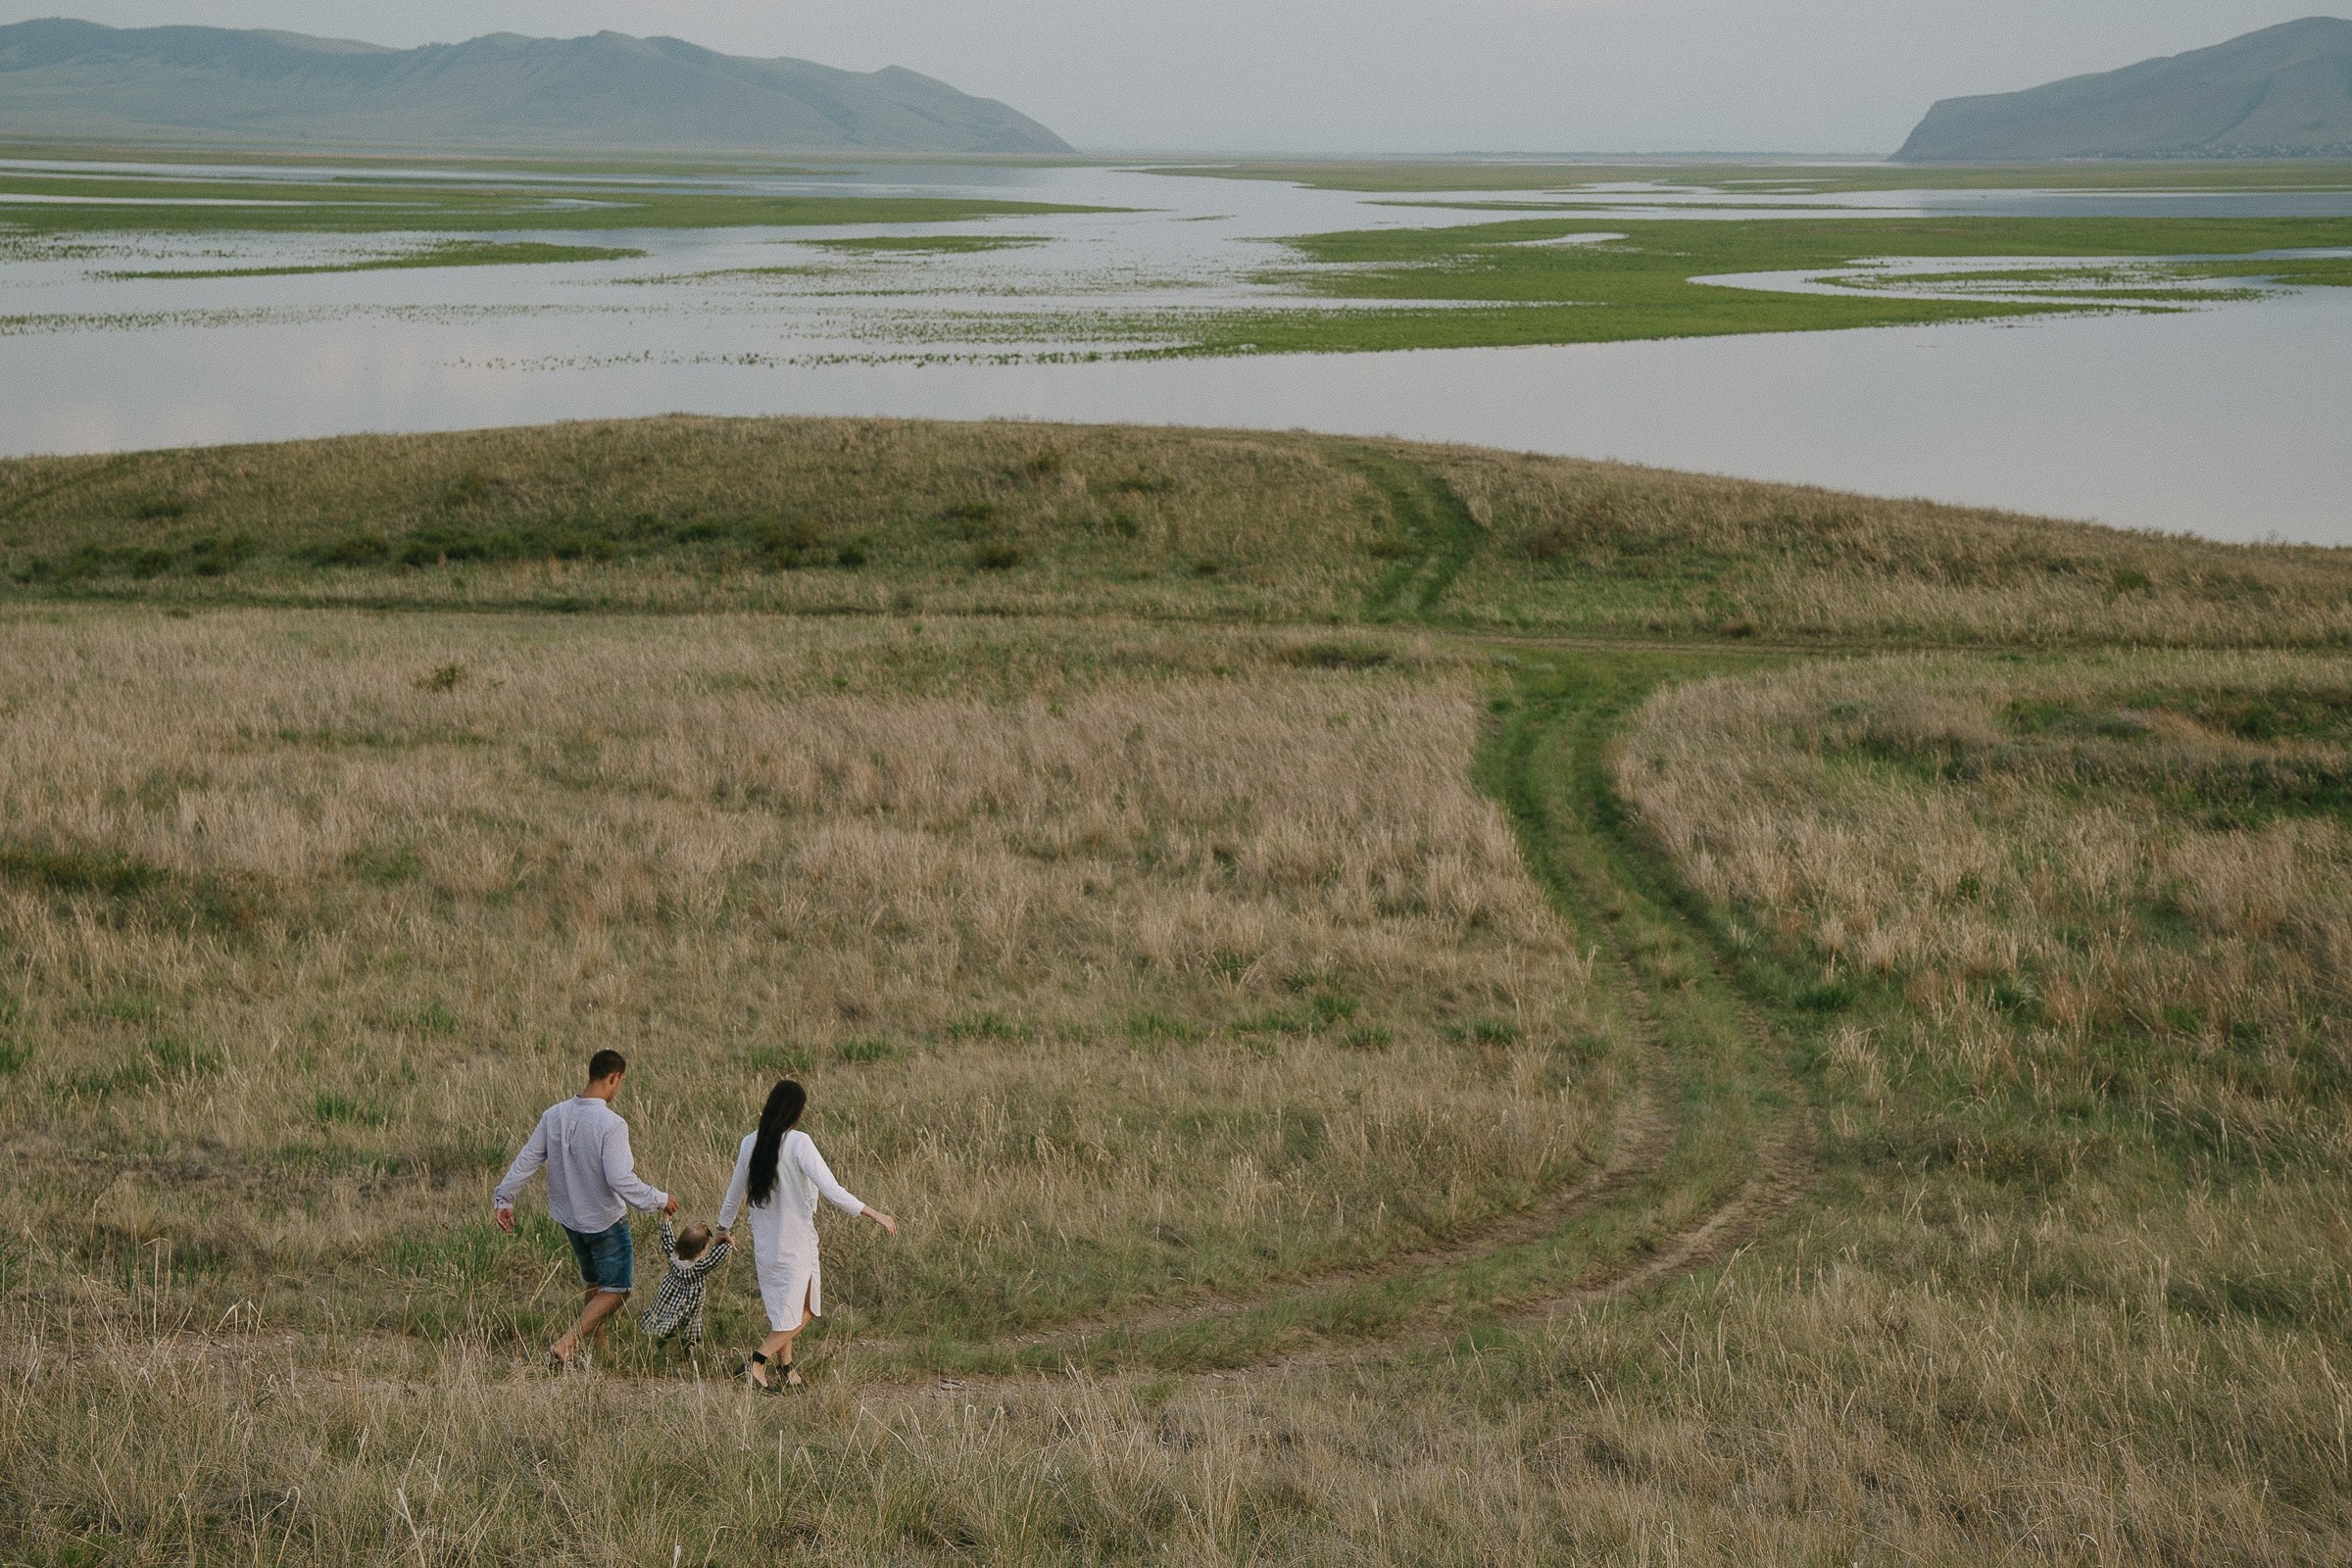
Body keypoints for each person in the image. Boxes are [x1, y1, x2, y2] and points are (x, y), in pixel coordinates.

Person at [493, 1048, 677, 1370]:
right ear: (614, 1077)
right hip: (604, 1219)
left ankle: (598, 1349)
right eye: (621, 1082)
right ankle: (566, 1344)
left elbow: (527, 1159)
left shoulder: (554, 1115)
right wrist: (659, 1199)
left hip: (570, 1219)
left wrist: (504, 1198)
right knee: (618, 1290)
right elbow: (620, 1178)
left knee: (595, 1284)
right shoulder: (612, 1124)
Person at [717, 1079, 897, 1390]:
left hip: (765, 1244)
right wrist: (874, 1214)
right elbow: (832, 1190)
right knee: (807, 1309)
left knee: (783, 1309)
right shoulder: (799, 1143)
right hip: (796, 1244)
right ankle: (757, 1362)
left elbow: (734, 1194)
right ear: (795, 1112)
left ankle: (787, 1370)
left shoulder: (750, 1142)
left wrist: (723, 1228)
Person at [637, 1215, 731, 1348]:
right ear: (700, 1250)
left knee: (663, 1315)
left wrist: (666, 1217)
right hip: (688, 1304)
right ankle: (678, 1345)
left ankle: (659, 1337)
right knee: (686, 1323)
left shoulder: (673, 1255)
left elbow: (667, 1237)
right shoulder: (699, 1267)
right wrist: (727, 1242)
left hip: (667, 1297)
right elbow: (715, 1258)